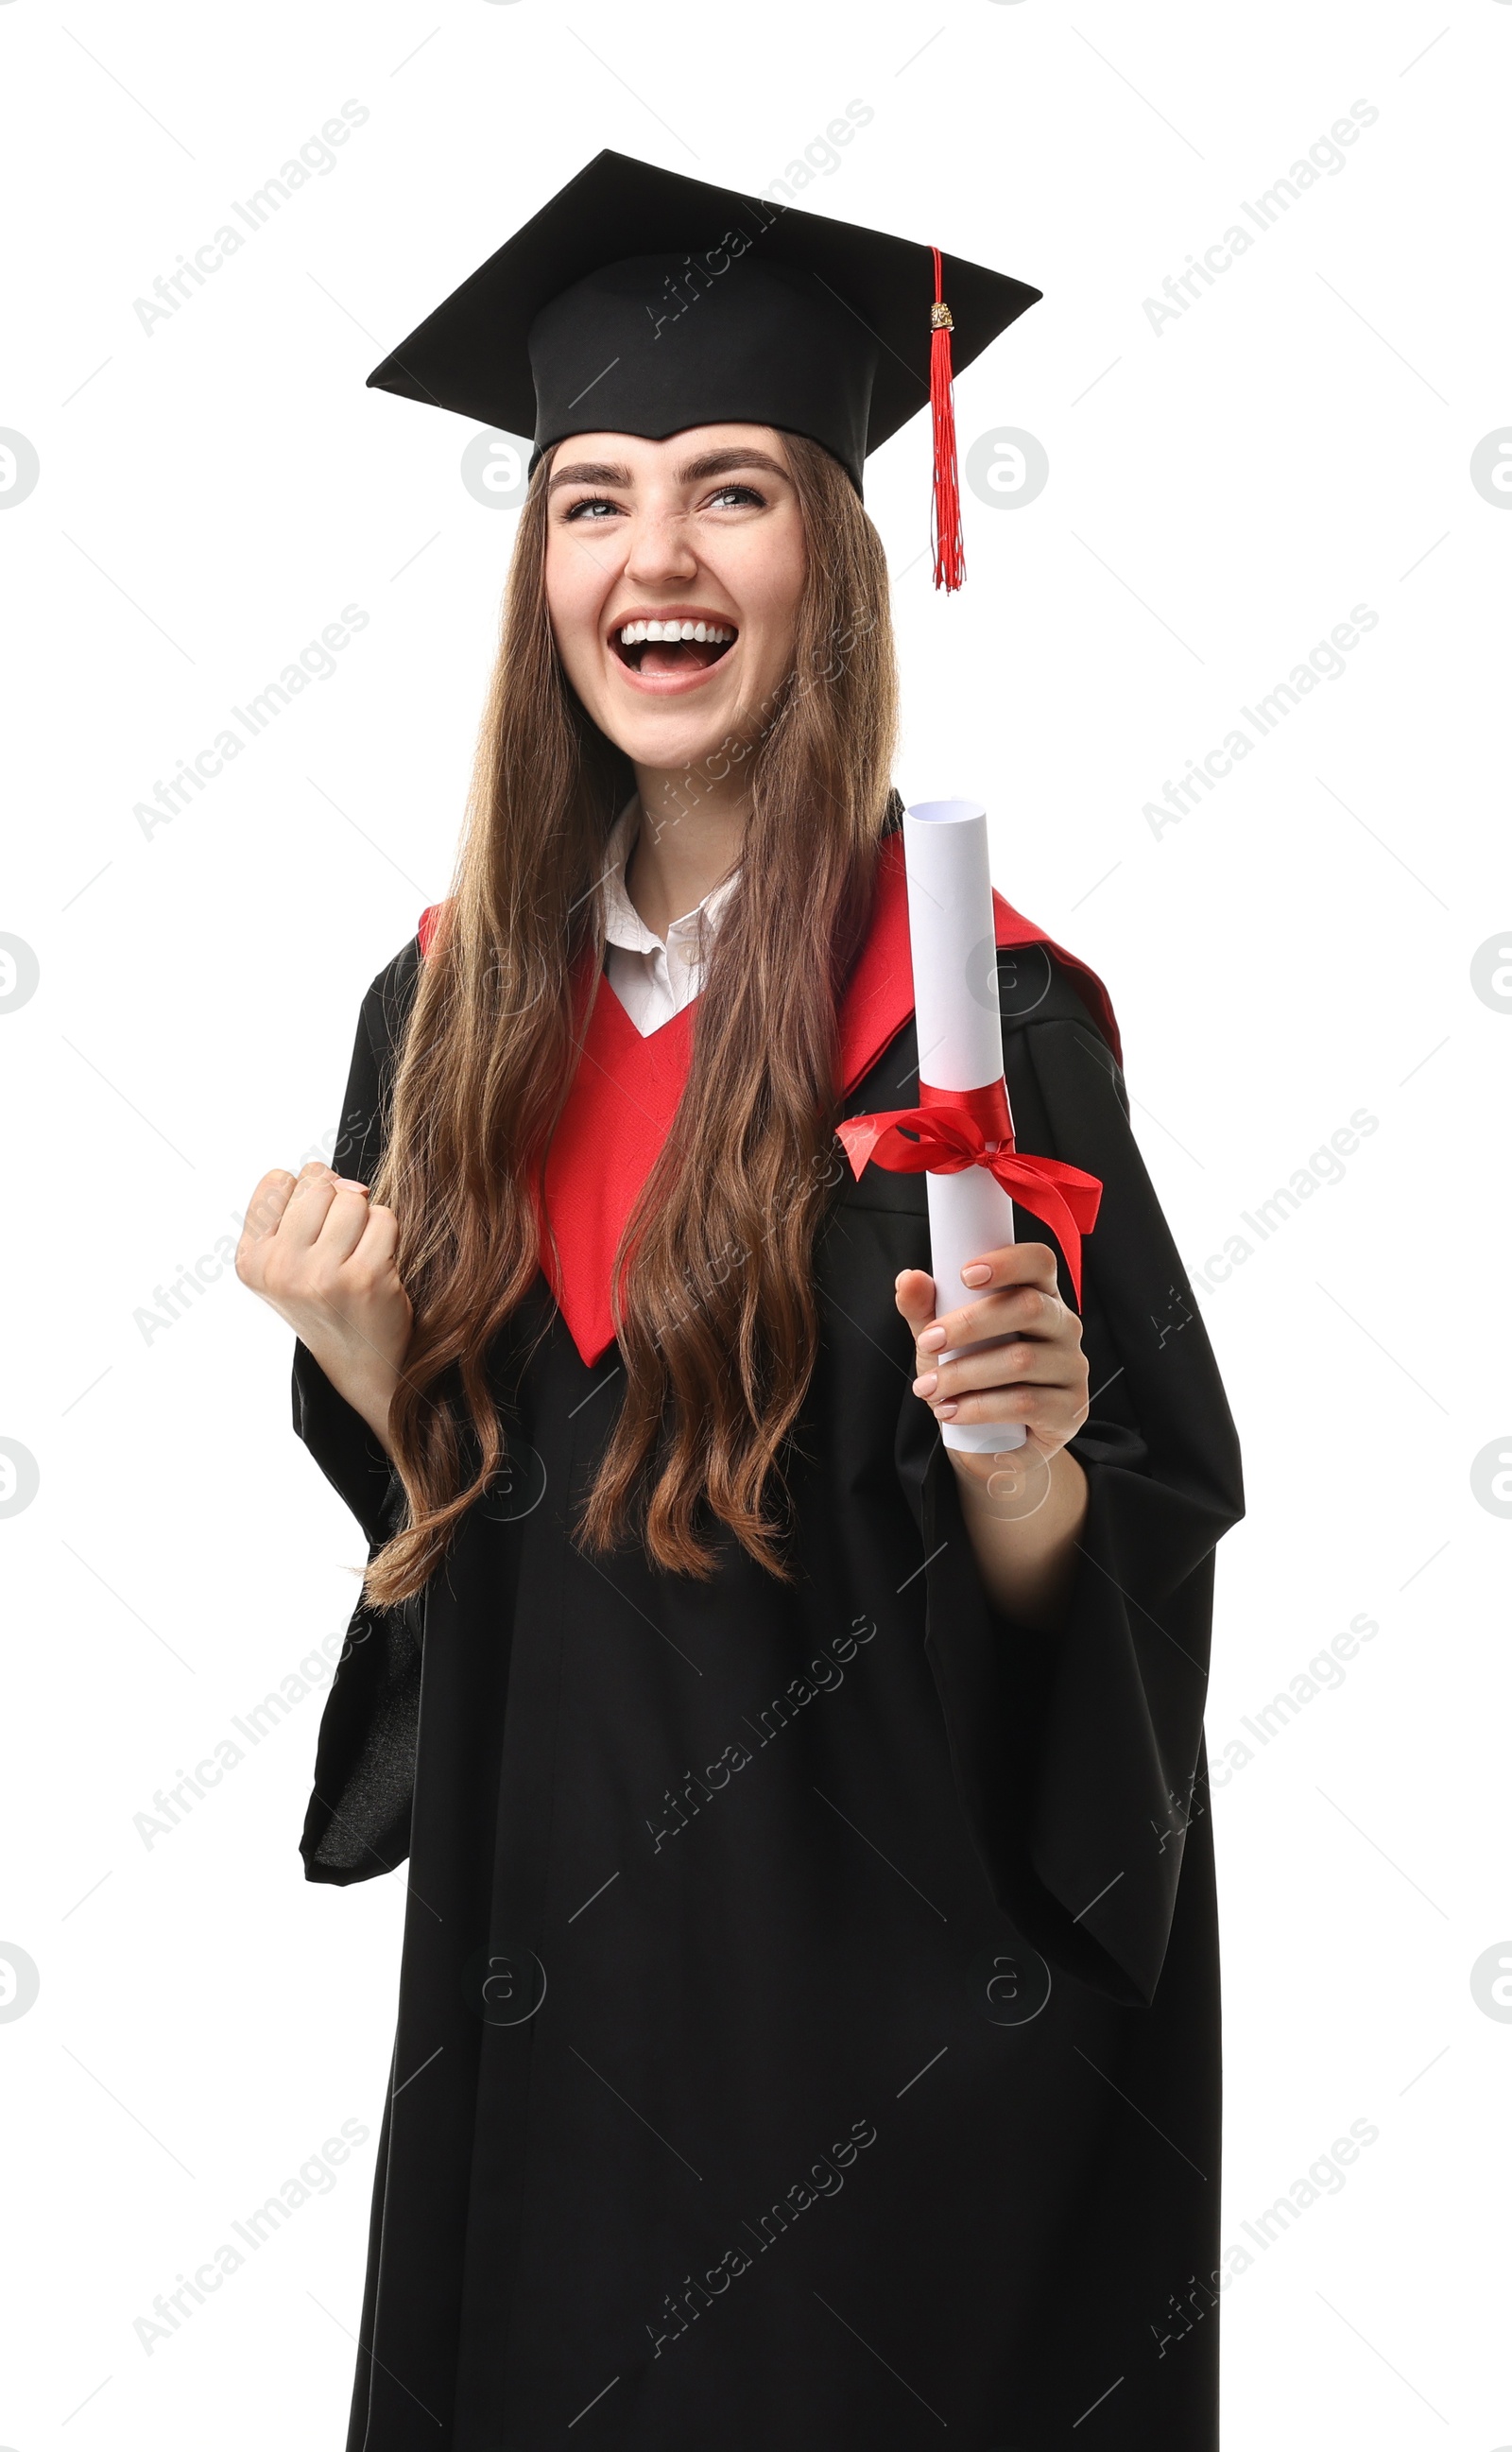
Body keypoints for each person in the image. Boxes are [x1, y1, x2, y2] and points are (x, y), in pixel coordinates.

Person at [235, 150, 1243, 2451]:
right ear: (538, 579)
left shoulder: (980, 1029)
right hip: (544, 1999)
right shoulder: (443, 1017)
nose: (651, 558)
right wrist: (381, 1378)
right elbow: (479, 1551)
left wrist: (1025, 1453)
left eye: (726, 494)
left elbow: (1098, 1607)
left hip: (882, 2051)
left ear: (833, 564)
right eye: (589, 502)